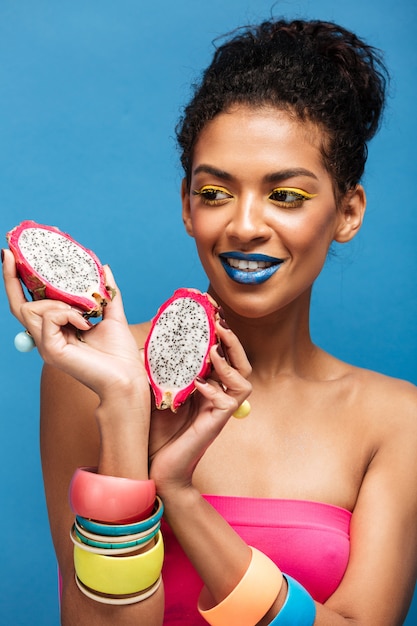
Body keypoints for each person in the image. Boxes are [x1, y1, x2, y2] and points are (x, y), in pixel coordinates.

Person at [3, 17, 417, 626]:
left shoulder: (396, 421)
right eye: (216, 192)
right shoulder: (90, 378)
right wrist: (124, 410)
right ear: (186, 206)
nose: (244, 225)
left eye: (287, 196)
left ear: (348, 211)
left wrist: (181, 499)